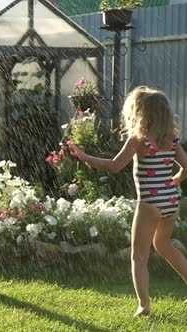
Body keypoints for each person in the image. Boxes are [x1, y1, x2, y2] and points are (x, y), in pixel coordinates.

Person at [67, 86, 187, 316]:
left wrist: (84, 157)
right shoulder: (171, 137)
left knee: (138, 256)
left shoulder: (139, 139)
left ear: (140, 112)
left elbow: (114, 166)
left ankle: (144, 305)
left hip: (150, 202)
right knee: (164, 246)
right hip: (171, 200)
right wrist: (177, 179)